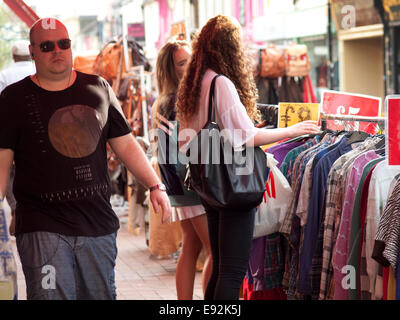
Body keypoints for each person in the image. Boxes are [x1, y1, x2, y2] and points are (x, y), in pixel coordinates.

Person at [0, 18, 171, 300]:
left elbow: (125, 144)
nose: (57, 51)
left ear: (70, 47)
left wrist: (155, 185)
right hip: (42, 226)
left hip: (96, 225)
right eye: (47, 46)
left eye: (63, 44)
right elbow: (3, 162)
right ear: (32, 52)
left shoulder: (98, 88)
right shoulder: (13, 99)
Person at [176, 15, 321, 300]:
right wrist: (291, 130)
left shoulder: (196, 83)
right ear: (230, 48)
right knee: (232, 270)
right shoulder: (221, 84)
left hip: (210, 184)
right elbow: (244, 137)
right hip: (233, 185)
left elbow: (192, 137)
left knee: (220, 266)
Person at [151, 40, 212, 299]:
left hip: (178, 181)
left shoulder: (165, 101)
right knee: (216, 251)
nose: (190, 65)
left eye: (190, 59)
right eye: (182, 62)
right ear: (171, 70)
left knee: (191, 245)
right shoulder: (180, 100)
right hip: (189, 182)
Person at [0, 40, 36, 236]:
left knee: (9, 172)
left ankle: (16, 207)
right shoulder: (37, 70)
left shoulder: (4, 74)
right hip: (38, 133)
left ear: (14, 56)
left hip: (10, 133)